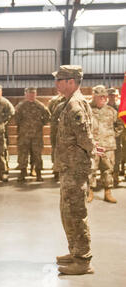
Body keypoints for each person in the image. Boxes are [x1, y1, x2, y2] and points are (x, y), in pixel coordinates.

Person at [53, 65, 97, 275]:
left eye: (59, 80)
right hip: (69, 166)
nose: (56, 84)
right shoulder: (70, 102)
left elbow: (84, 136)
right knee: (67, 212)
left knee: (76, 213)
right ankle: (75, 250)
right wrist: (93, 146)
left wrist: (94, 149)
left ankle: (83, 260)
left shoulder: (75, 105)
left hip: (75, 168)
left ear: (71, 81)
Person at [87, 85, 123, 203]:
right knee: (91, 169)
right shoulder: (88, 110)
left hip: (107, 147)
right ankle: (90, 192)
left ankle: (108, 192)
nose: (103, 99)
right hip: (93, 146)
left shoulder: (111, 111)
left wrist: (112, 136)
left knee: (108, 169)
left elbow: (119, 125)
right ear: (94, 97)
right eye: (100, 96)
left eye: (104, 96)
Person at [15, 87, 51, 182]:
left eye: (33, 93)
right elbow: (17, 119)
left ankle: (38, 173)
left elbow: (47, 116)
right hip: (24, 136)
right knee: (23, 155)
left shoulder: (40, 105)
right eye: (30, 93)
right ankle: (23, 173)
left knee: (37, 155)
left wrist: (40, 124)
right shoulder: (21, 106)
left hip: (36, 136)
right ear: (25, 94)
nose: (32, 95)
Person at [48, 89, 66, 180]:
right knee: (55, 149)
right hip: (56, 129)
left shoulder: (71, 100)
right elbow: (50, 114)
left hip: (67, 130)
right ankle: (56, 169)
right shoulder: (54, 101)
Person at [107, 88, 123, 185]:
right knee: (107, 157)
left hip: (117, 136)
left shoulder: (121, 107)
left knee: (117, 156)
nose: (112, 97)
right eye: (110, 95)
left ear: (116, 96)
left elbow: (120, 124)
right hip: (106, 136)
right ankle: (108, 175)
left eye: (113, 95)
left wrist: (115, 134)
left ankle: (116, 175)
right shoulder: (104, 107)